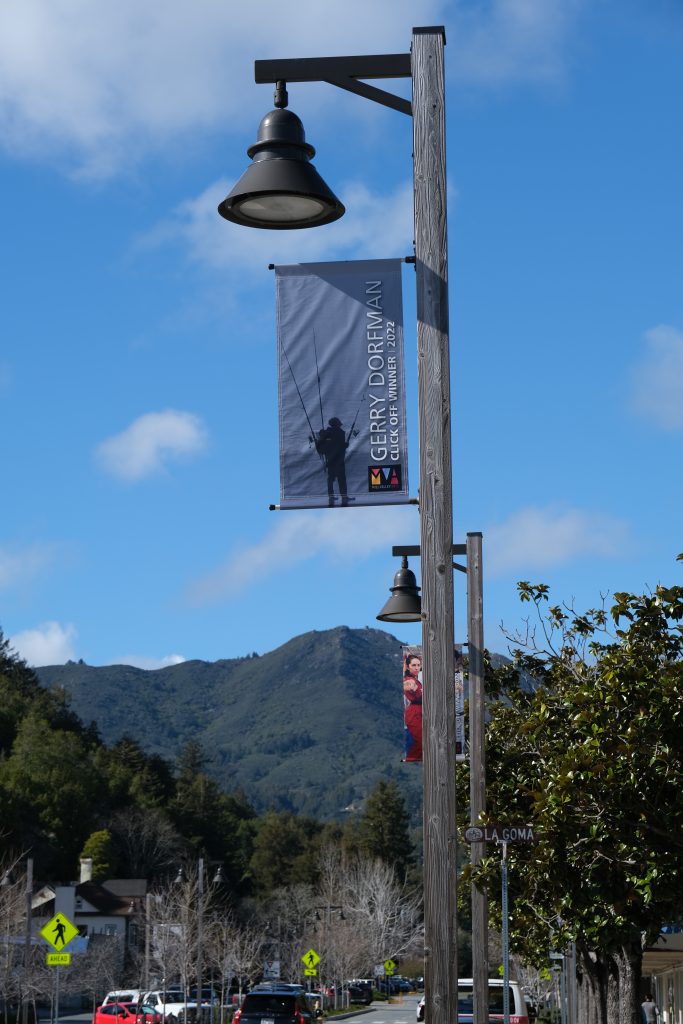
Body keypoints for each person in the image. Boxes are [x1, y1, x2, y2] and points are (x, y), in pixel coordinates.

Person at [313, 417, 349, 506]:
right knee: (341, 479)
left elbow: (324, 438)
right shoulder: (340, 432)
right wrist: (345, 445)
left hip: (331, 459)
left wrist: (322, 432)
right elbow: (340, 445)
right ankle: (343, 496)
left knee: (331, 478)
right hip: (339, 459)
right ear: (337, 424)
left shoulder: (329, 432)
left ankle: (331, 496)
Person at [403, 652, 423, 762]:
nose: (416, 668)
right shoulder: (409, 680)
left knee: (423, 742)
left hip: (420, 712)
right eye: (413, 665)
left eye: (418, 665)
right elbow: (406, 685)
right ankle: (411, 759)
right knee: (421, 741)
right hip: (414, 713)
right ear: (408, 666)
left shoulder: (417, 680)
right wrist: (410, 686)